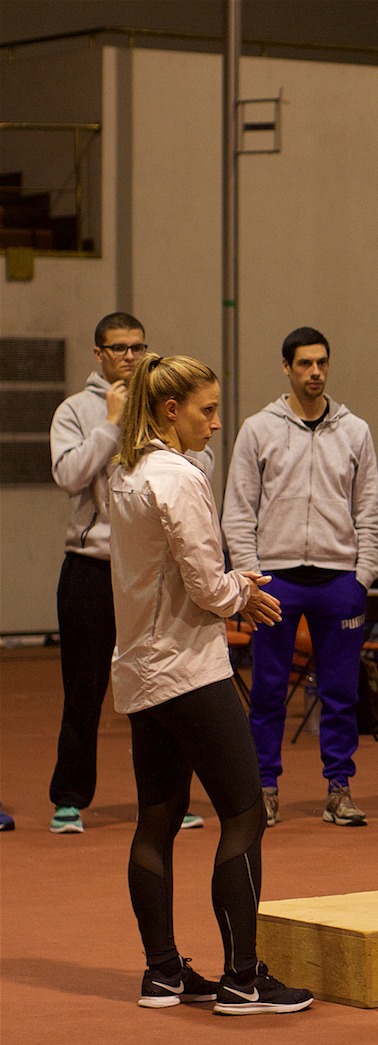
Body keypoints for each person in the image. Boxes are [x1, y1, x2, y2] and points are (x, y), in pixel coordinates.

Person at [107, 353, 312, 1013]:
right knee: (245, 813)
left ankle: (163, 973)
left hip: (140, 671)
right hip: (189, 671)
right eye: (207, 410)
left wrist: (227, 589)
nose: (217, 423)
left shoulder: (128, 471)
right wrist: (242, 594)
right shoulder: (179, 475)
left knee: (156, 820)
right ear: (171, 410)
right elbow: (204, 582)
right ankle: (243, 977)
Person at [48, 313, 208, 834]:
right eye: (119, 349)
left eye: (139, 347)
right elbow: (69, 475)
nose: (130, 357)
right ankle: (70, 797)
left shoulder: (162, 405)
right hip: (91, 568)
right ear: (98, 354)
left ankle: (171, 796)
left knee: (162, 682)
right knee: (85, 687)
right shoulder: (76, 410)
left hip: (149, 572)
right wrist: (111, 424)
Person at [223, 327, 378, 828]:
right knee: (269, 690)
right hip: (276, 582)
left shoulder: (354, 430)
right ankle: (264, 789)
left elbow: (371, 510)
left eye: (322, 363)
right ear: (287, 368)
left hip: (339, 582)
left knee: (342, 693)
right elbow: (237, 509)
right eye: (305, 364)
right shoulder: (257, 430)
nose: (315, 372)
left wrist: (363, 575)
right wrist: (250, 578)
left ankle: (339, 789)